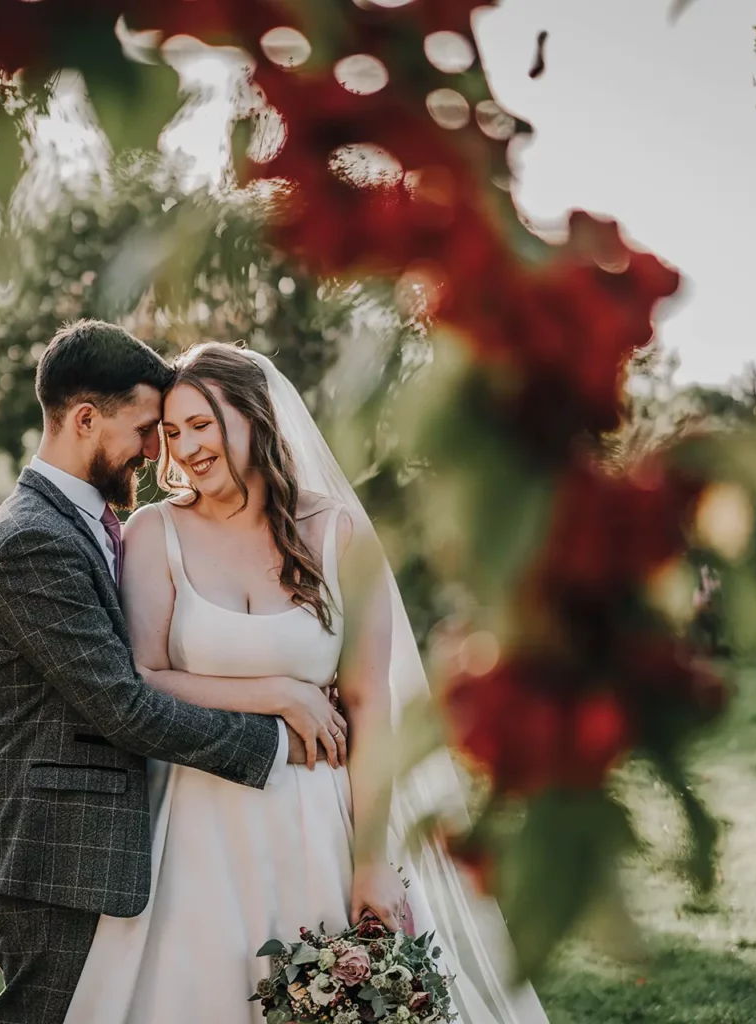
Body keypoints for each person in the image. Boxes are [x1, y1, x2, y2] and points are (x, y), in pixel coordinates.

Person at [62, 342, 550, 1024]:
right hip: (197, 822)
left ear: (255, 417)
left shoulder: (342, 535)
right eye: (172, 432)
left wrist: (371, 860)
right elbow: (143, 677)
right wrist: (277, 694)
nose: (185, 447)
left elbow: (370, 703)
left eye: (203, 423)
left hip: (315, 817)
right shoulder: (154, 532)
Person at [0, 321, 336, 1024]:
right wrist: (280, 734)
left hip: (103, 843)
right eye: (146, 429)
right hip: (59, 853)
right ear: (84, 420)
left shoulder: (88, 522)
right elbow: (124, 705)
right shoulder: (32, 541)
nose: (155, 450)